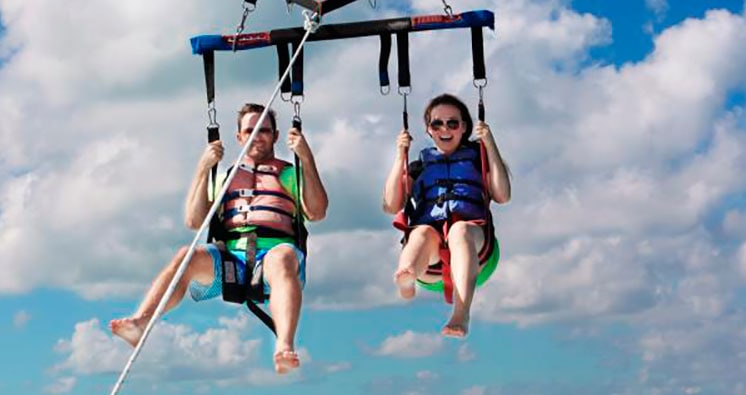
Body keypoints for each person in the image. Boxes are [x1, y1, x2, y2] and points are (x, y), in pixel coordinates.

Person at [110, 103, 328, 374]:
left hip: (276, 256)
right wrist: (203, 169)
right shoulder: (225, 177)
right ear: (239, 136)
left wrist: (306, 159)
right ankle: (140, 323)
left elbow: (317, 212)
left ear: (275, 135)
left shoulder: (289, 173)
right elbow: (194, 221)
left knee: (281, 257)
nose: (257, 135)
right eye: (250, 130)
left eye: (264, 130)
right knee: (185, 256)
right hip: (231, 263)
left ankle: (284, 345)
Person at [382, 93, 511, 338]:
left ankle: (461, 313)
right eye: (437, 123)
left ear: (464, 127)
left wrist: (490, 144)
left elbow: (502, 195)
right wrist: (400, 155)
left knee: (459, 230)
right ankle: (407, 274)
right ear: (428, 130)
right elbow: (391, 204)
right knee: (421, 231)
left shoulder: (477, 159)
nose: (445, 129)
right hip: (430, 261)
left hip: (476, 249)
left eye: (453, 123)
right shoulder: (420, 165)